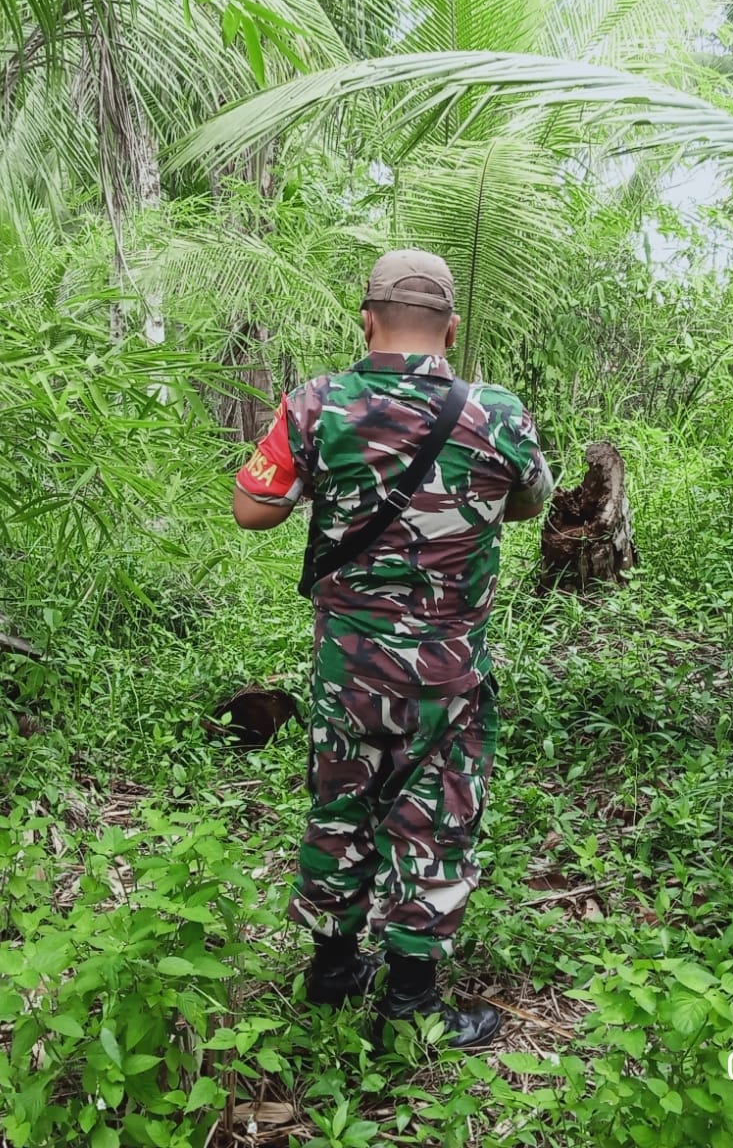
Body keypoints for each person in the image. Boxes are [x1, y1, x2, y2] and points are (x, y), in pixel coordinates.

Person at [232, 249, 553, 1047]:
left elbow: (252, 510)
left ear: (366, 318)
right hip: (448, 673)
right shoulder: (497, 412)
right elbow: (528, 504)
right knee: (436, 821)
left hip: (351, 669)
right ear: (451, 328)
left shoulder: (316, 405)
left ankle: (334, 970)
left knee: (340, 805)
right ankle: (411, 1004)